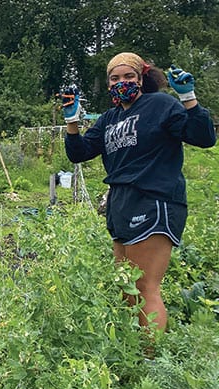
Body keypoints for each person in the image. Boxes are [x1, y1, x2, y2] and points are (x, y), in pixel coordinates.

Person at [62, 52, 216, 338]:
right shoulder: (110, 118)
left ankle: (150, 361)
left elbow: (203, 137)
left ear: (141, 78)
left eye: (129, 77)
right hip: (121, 201)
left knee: (145, 286)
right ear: (109, 84)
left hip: (154, 197)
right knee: (127, 286)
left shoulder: (159, 105)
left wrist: (189, 99)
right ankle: (133, 352)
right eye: (115, 78)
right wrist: (72, 123)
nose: (122, 83)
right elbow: (80, 153)